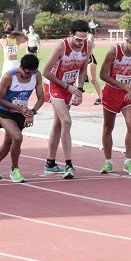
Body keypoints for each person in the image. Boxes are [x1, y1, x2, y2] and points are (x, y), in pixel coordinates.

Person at [0, 53, 44, 183]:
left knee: (8, 143)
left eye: (32, 73)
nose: (29, 75)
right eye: (27, 73)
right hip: (5, 112)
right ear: (21, 67)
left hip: (21, 114)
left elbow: (41, 98)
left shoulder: (37, 75)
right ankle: (15, 169)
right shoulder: (9, 77)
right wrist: (19, 108)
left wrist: (32, 112)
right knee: (17, 137)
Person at [42, 20, 90, 179]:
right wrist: (67, 86)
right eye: (77, 39)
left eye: (83, 40)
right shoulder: (61, 46)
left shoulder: (87, 46)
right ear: (71, 34)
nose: (80, 43)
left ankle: (50, 163)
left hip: (69, 87)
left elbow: (83, 70)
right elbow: (46, 72)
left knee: (58, 124)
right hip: (54, 85)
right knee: (66, 121)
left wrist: (80, 90)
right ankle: (69, 164)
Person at [98, 29, 131, 176]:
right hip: (112, 92)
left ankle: (128, 161)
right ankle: (108, 161)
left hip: (129, 94)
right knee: (108, 127)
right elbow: (103, 75)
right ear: (127, 41)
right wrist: (123, 86)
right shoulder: (114, 51)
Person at [85, 19, 104, 105]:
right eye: (93, 28)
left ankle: (99, 97)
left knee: (93, 79)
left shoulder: (90, 36)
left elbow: (89, 43)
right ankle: (75, 96)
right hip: (82, 59)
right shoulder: (85, 35)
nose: (95, 30)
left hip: (89, 59)